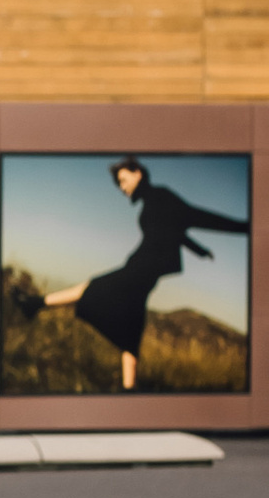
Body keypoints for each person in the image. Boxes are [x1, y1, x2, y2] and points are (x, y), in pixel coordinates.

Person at [36, 156, 250, 392]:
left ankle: (35, 303)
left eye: (123, 180)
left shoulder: (161, 196)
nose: (122, 187)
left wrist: (244, 227)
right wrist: (200, 251)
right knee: (132, 323)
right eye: (119, 184)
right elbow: (175, 233)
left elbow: (195, 216)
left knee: (94, 288)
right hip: (143, 270)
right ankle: (129, 388)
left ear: (137, 172)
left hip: (141, 269)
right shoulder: (152, 201)